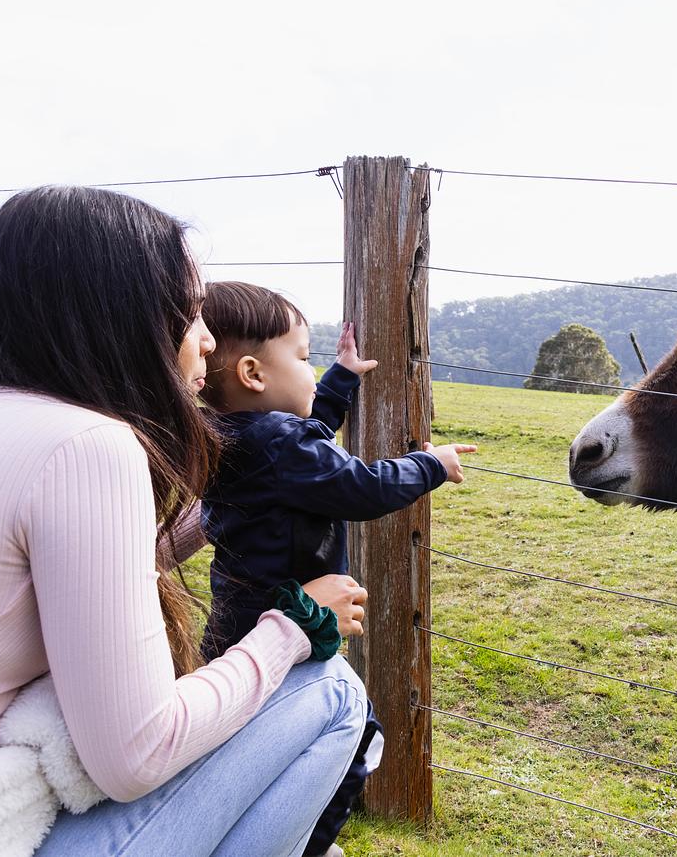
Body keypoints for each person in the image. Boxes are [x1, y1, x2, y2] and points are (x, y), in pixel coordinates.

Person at [0, 186, 370, 857]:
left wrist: (214, 517)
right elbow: (136, 753)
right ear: (121, 312)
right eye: (193, 312)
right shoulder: (87, 444)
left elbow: (67, 577)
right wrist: (292, 630)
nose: (207, 341)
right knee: (331, 691)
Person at [196, 280, 475, 857]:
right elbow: (360, 487)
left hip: (236, 623)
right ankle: (308, 844)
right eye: (303, 358)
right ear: (253, 374)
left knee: (248, 747)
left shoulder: (230, 433)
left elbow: (307, 434)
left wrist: (340, 378)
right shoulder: (275, 441)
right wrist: (429, 465)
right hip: (291, 624)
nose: (310, 367)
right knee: (355, 741)